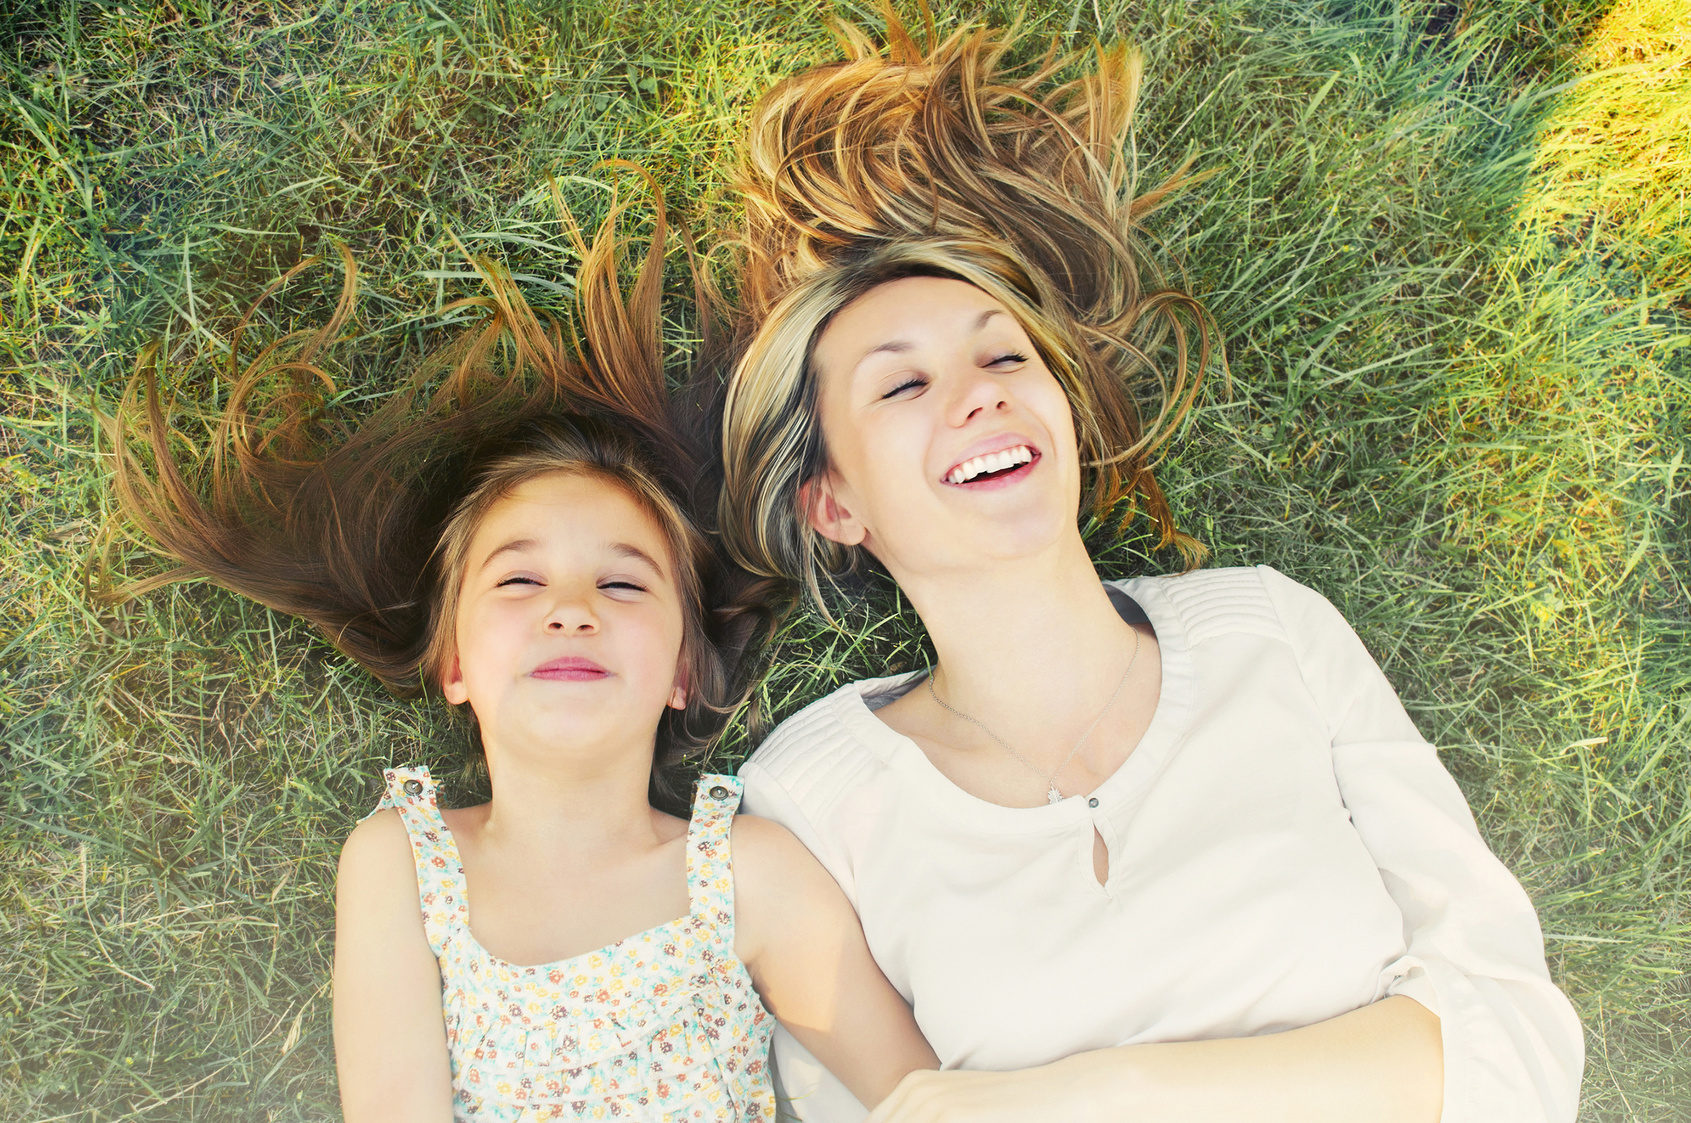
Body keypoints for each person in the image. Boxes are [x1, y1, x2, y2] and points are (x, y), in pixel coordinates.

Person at [710, 20, 1584, 1123]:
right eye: (900, 387)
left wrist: (1100, 1087)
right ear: (833, 503)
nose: (977, 393)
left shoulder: (1266, 633)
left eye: (1000, 355)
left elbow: (1509, 1037)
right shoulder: (817, 795)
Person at [103, 189, 938, 1121]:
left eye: (622, 585)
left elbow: (927, 1100)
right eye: (517, 583)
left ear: (681, 672)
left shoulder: (746, 873)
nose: (571, 612)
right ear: (455, 664)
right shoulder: (405, 865)